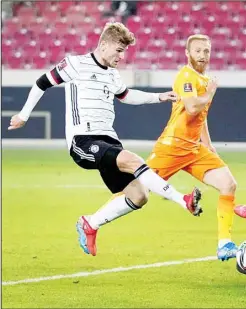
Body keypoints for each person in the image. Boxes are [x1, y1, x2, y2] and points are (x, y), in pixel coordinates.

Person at [7, 22, 202, 256]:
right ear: (103, 45)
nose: (122, 56)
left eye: (124, 52)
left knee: (139, 196)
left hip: (109, 141)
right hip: (83, 141)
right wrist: (23, 115)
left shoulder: (113, 75)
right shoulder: (75, 64)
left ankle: (90, 223)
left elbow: (127, 95)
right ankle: (183, 200)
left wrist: (159, 97)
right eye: (119, 50)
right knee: (132, 160)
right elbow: (42, 83)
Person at [110, 34, 239, 261]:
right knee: (138, 191)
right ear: (188, 54)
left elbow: (201, 116)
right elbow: (191, 107)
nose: (202, 55)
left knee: (228, 184)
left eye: (206, 51)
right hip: (171, 147)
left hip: (193, 150)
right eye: (197, 51)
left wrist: (208, 145)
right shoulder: (186, 77)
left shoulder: (203, 79)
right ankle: (93, 222)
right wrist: (210, 93)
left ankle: (225, 244)